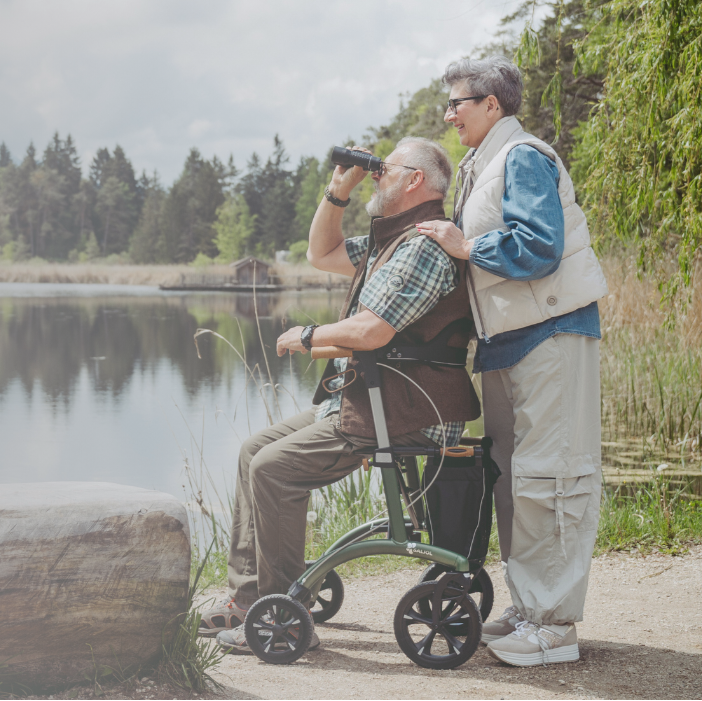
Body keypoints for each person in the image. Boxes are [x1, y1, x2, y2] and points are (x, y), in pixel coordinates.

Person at [204, 137, 480, 654]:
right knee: (251, 451)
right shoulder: (388, 241)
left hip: (402, 411)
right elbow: (321, 253)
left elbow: (372, 331)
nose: (376, 173)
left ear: (415, 180)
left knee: (273, 469)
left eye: (385, 168)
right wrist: (337, 191)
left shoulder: (421, 247)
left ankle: (282, 614)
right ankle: (247, 601)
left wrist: (311, 335)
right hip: (369, 402)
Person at [416, 57, 607, 667]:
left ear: (491, 104)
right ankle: (529, 607)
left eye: (457, 103)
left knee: (552, 477)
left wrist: (466, 245)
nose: (449, 114)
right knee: (514, 481)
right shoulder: (482, 164)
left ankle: (554, 628)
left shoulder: (523, 156)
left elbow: (540, 245)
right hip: (505, 342)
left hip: (551, 332)